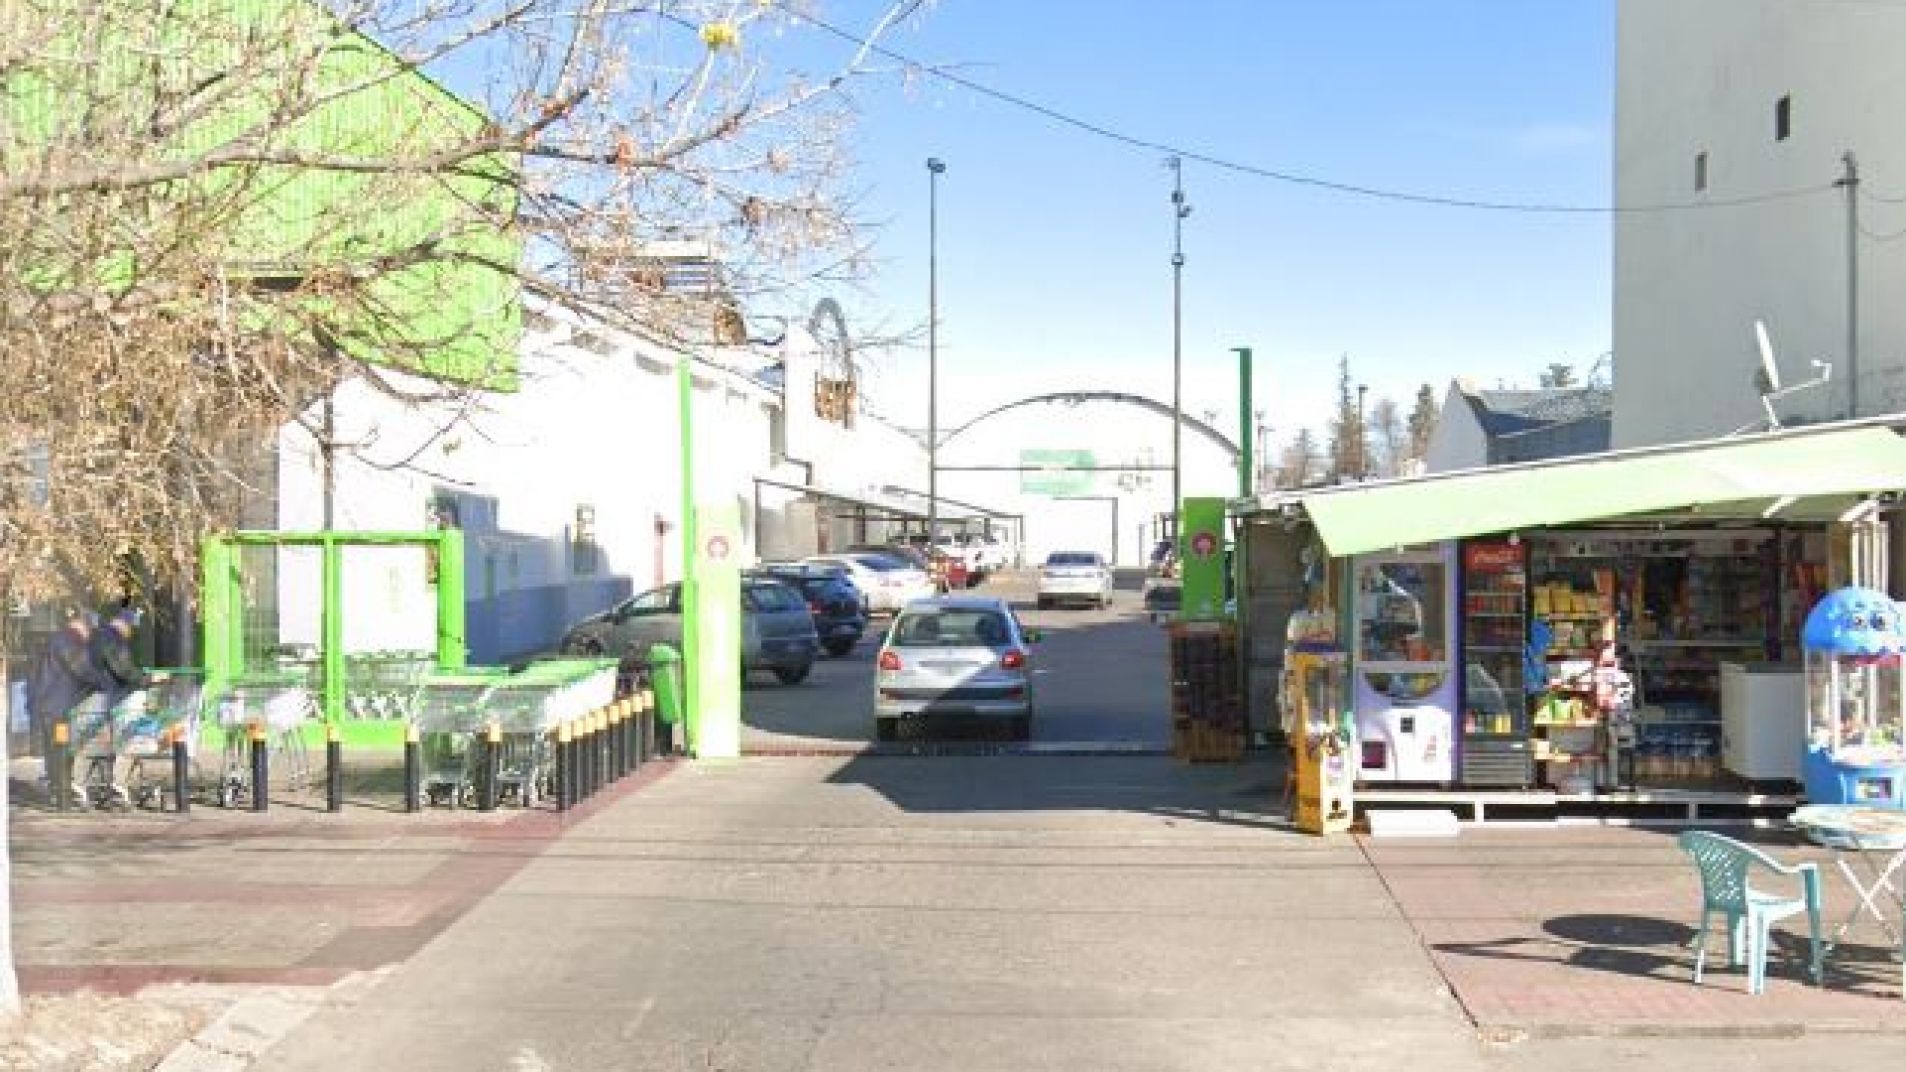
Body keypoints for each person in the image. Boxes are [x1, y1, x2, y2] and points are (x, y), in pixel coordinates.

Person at [26, 610, 107, 790]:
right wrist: (105, 682)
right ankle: (60, 792)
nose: (90, 636)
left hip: (56, 704)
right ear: (82, 625)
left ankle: (59, 788)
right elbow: (81, 669)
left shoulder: (64, 639)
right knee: (59, 748)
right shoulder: (68, 640)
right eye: (91, 631)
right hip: (56, 705)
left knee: (58, 748)